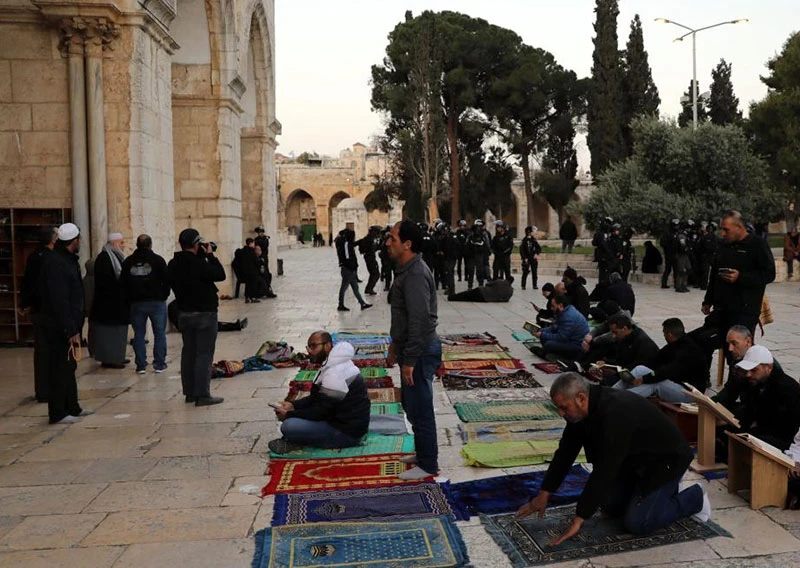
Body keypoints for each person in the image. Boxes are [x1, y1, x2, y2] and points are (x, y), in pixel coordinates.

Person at [517, 373, 707, 543]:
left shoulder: (615, 413)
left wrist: (579, 518)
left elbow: (606, 469)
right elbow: (565, 452)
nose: (561, 413)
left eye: (563, 407)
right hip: (634, 462)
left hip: (664, 462)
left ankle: (695, 498)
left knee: (637, 523)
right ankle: (659, 495)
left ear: (581, 399)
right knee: (610, 506)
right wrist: (544, 494)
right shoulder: (581, 412)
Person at [386, 220, 441, 480]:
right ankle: (422, 452)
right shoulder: (406, 270)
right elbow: (403, 317)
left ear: (407, 244)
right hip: (410, 348)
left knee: (421, 407)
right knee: (411, 404)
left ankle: (429, 464)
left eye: (392, 239)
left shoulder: (416, 273)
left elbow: (420, 320)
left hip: (420, 350)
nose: (387, 243)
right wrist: (394, 345)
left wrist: (410, 360)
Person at [269, 331, 370, 453]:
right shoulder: (332, 365)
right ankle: (301, 439)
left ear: (327, 346)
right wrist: (293, 405)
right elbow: (316, 398)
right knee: (294, 422)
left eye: (313, 346)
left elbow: (320, 412)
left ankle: (298, 442)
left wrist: (288, 415)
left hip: (347, 433)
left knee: (288, 426)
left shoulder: (335, 373)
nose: (310, 351)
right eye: (308, 347)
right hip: (343, 424)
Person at [702, 210, 775, 351]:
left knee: (737, 353)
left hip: (744, 312)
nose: (723, 233)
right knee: (701, 341)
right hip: (721, 309)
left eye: (726, 230)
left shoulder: (757, 244)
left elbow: (769, 274)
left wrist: (741, 277)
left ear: (739, 227)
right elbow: (715, 275)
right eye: (722, 229)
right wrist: (708, 300)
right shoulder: (723, 245)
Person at [168, 228, 226, 406]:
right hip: (204, 314)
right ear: (195, 244)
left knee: (188, 353)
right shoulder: (200, 263)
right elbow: (220, 274)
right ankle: (202, 394)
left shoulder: (173, 264)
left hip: (184, 313)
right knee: (203, 355)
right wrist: (210, 256)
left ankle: (190, 393)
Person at [38, 223, 87, 424]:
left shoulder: (65, 260)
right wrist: (70, 329)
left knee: (69, 366)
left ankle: (72, 407)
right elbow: (60, 299)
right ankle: (58, 412)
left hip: (68, 323)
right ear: (73, 241)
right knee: (59, 367)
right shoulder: (56, 263)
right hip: (59, 325)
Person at [613, 318, 707, 403]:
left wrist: (645, 378)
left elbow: (668, 371)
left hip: (690, 393)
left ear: (669, 334)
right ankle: (611, 393)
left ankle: (619, 401)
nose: (664, 336)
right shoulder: (673, 345)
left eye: (664, 333)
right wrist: (625, 369)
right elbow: (653, 362)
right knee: (640, 369)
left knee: (655, 384)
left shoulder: (689, 350)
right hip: (675, 383)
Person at [728, 345, 800, 451]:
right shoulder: (756, 381)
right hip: (760, 429)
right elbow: (748, 408)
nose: (748, 374)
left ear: (768, 368)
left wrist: (755, 426)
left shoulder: (787, 388)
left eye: (754, 370)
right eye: (747, 370)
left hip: (779, 439)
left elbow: (785, 428)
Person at [121, 234, 170, 374]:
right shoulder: (158, 260)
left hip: (137, 303)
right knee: (159, 333)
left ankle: (141, 365)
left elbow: (123, 283)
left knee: (139, 334)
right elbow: (166, 280)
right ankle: (159, 364)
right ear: (150, 245)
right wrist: (163, 295)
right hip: (156, 302)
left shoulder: (129, 261)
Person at [19, 226, 58, 402]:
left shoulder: (34, 256)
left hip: (37, 310)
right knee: (50, 352)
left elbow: (27, 282)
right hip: (48, 311)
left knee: (42, 352)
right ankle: (49, 390)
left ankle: (43, 389)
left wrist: (25, 304)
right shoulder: (51, 258)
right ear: (53, 240)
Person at [88, 233, 130, 368]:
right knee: (109, 335)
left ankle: (117, 357)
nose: (123, 246)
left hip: (116, 304)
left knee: (117, 334)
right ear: (113, 243)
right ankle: (111, 359)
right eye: (121, 243)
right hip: (109, 304)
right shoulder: (104, 258)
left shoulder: (115, 257)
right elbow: (107, 281)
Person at [532, 294, 589, 361]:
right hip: (569, 340)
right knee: (544, 338)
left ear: (560, 306)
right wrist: (541, 330)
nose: (551, 308)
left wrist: (542, 335)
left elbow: (561, 337)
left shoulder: (569, 317)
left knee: (548, 344)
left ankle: (557, 356)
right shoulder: (563, 312)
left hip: (576, 345)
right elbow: (554, 328)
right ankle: (551, 353)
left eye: (553, 306)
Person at [335, 224, 372, 312]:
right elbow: (347, 257)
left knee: (355, 288)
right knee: (343, 288)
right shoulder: (346, 244)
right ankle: (340, 305)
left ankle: (362, 303)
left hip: (351, 270)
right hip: (348, 270)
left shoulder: (348, 244)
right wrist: (352, 267)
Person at [355, 226, 381, 295]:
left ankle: (369, 289)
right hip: (370, 259)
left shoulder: (366, 238)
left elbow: (356, 243)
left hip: (368, 258)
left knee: (373, 274)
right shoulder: (369, 239)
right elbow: (372, 249)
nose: (377, 234)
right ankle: (369, 289)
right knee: (376, 274)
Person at [447, 278, 513, 302]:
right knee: (467, 299)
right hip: (485, 299)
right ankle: (452, 298)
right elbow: (505, 300)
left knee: (465, 294)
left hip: (482, 291)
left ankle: (451, 297)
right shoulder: (511, 291)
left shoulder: (500, 281)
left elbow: (487, 284)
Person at [465, 220, 488, 289]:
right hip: (471, 256)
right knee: (471, 271)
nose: (478, 229)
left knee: (480, 271)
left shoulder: (483, 236)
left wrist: (485, 257)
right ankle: (470, 285)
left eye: (479, 227)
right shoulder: (470, 236)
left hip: (480, 255)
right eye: (476, 228)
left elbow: (486, 246)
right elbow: (466, 246)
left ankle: (481, 284)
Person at [520, 225, 541, 290]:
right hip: (526, 259)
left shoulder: (533, 240)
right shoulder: (524, 240)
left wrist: (536, 254)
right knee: (525, 272)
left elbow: (539, 248)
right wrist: (524, 258)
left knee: (534, 272)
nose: (533, 233)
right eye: (532, 231)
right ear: (529, 232)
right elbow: (522, 250)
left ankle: (535, 285)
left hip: (533, 258)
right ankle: (523, 285)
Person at [660, 219, 679, 289]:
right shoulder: (667, 233)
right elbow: (663, 243)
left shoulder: (676, 233)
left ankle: (676, 283)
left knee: (675, 269)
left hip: (674, 254)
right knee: (668, 269)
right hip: (669, 254)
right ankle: (664, 283)